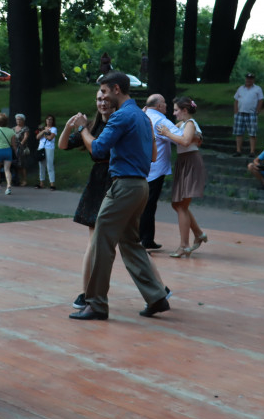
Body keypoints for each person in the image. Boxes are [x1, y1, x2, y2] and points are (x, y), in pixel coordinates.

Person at [67, 71, 171, 321]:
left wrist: (82, 129)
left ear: (115, 89)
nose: (101, 96)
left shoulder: (122, 116)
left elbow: (98, 148)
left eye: (103, 91)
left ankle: (96, 304)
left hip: (123, 186)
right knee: (131, 243)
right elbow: (152, 155)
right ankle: (156, 296)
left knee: (102, 242)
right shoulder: (141, 116)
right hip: (140, 186)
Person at [59, 90, 116, 310]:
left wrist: (82, 129)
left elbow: (100, 150)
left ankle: (158, 289)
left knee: (130, 240)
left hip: (115, 180)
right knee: (94, 240)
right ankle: (85, 292)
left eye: (106, 99)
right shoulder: (91, 125)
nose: (102, 103)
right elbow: (64, 145)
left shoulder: (116, 124)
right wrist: (69, 126)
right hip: (99, 182)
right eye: (99, 99)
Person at [154, 96, 208, 258]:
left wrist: (168, 133)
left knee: (181, 205)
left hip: (190, 162)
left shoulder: (190, 123)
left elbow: (184, 141)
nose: (174, 113)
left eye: (177, 110)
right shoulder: (183, 124)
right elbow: (170, 130)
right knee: (177, 204)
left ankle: (184, 245)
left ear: (185, 111)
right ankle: (198, 234)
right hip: (184, 162)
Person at [139, 94, 181, 250]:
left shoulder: (142, 116)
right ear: (158, 106)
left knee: (144, 204)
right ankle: (142, 239)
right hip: (155, 170)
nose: (166, 106)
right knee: (149, 206)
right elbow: (180, 137)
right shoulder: (161, 120)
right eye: (164, 103)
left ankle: (146, 238)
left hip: (141, 168)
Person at [232, 72, 263, 157]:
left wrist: (257, 111)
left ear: (253, 80)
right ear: (245, 79)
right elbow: (236, 100)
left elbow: (260, 100)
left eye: (250, 78)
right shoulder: (240, 88)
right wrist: (235, 112)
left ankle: (252, 151)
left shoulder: (257, 89)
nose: (249, 80)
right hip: (240, 113)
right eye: (247, 78)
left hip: (251, 113)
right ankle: (238, 150)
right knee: (239, 133)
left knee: (252, 133)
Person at [0, 113, 15, 194]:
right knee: (7, 170)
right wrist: (15, 152)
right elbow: (13, 144)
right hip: (8, 151)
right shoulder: (11, 131)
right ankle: (8, 187)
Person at [35, 115, 57, 190]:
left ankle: (52, 184)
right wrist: (44, 131)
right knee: (41, 165)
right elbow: (37, 137)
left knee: (49, 165)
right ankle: (41, 183)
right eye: (48, 119)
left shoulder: (54, 129)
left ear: (53, 121)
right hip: (41, 147)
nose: (49, 121)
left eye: (51, 120)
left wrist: (44, 134)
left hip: (49, 148)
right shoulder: (43, 129)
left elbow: (50, 138)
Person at [12, 114, 30, 187]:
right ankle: (17, 180)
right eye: (17, 119)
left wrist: (21, 143)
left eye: (20, 119)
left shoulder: (25, 128)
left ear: (23, 120)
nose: (18, 121)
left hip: (21, 149)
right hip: (13, 148)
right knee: (15, 165)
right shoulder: (13, 129)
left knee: (22, 165)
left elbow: (26, 137)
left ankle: (24, 180)